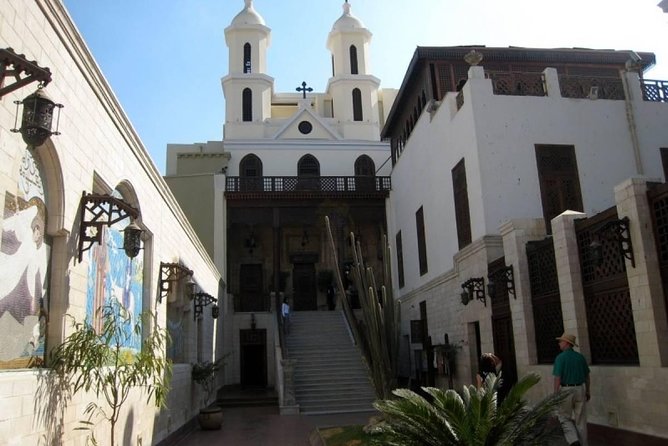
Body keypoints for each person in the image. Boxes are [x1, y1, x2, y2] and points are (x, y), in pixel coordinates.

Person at [553, 333, 590, 446]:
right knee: (581, 420)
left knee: (563, 417)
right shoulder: (580, 357)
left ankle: (573, 441)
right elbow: (587, 377)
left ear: (567, 343)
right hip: (580, 388)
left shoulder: (560, 358)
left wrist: (556, 394)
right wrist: (588, 390)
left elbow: (557, 378)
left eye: (561, 341)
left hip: (566, 390)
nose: (559, 343)